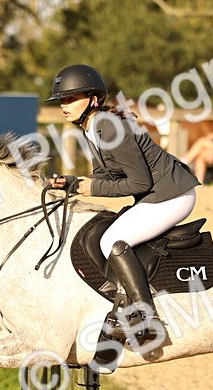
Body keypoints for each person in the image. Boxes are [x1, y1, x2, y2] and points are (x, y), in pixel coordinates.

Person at [44, 64, 200, 350]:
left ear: (93, 99)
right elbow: (105, 177)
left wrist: (93, 188)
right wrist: (72, 182)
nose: (64, 105)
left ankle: (145, 318)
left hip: (173, 195)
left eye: (71, 99)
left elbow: (138, 182)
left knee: (113, 241)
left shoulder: (107, 126)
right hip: (158, 194)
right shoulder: (91, 128)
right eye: (62, 100)